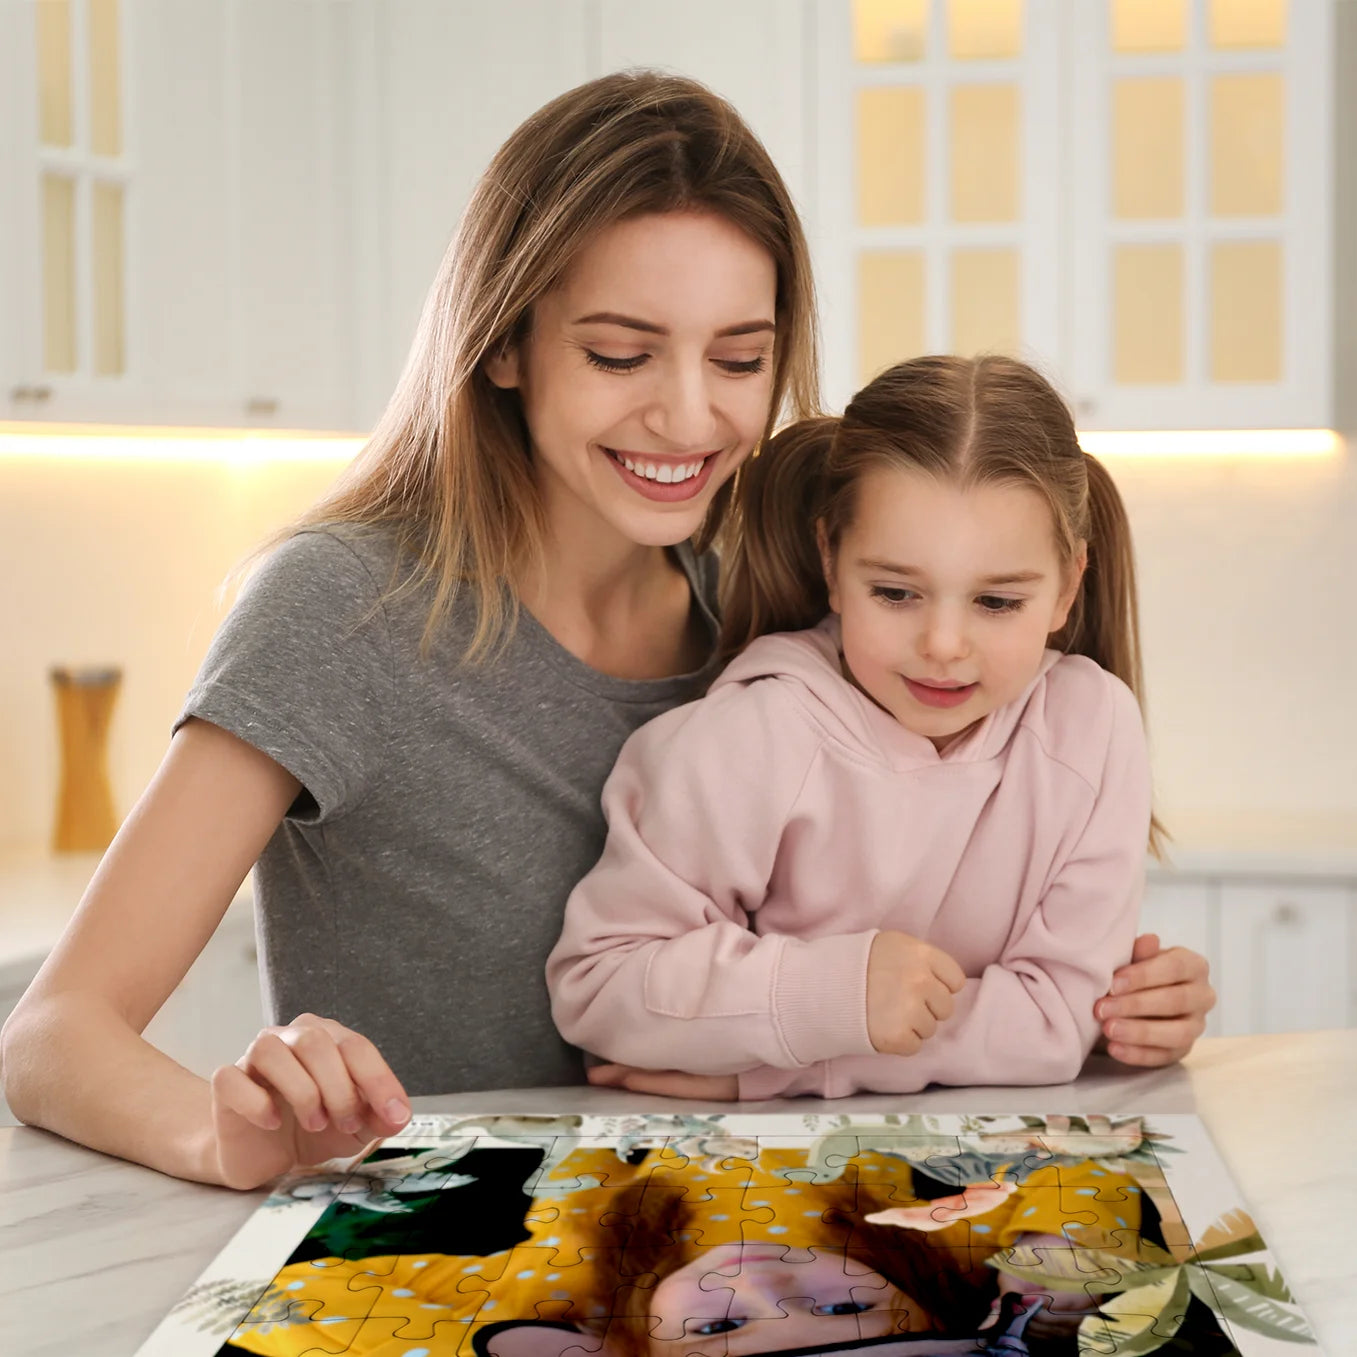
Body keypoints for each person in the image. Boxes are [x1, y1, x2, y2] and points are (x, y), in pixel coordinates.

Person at [0, 73, 1213, 1191]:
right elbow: (56, 1035)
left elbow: (891, 954)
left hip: (751, 1224)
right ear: (508, 343)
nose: (688, 413)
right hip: (446, 1245)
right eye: (621, 351)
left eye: (740, 358)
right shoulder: (345, 609)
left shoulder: (774, 592)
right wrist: (217, 1134)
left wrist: (1116, 1009)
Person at [548, 355, 1177, 1100]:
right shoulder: (743, 740)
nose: (943, 644)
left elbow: (1053, 1022)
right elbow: (599, 986)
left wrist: (787, 1063)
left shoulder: (1092, 728)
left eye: (996, 602)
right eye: (895, 591)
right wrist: (832, 993)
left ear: (1068, 584)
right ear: (831, 559)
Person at [220, 1141, 1138, 1357]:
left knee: (572, 1177)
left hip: (598, 1124)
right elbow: (1082, 1164)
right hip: (814, 1075)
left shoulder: (564, 1293)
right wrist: (1053, 1251)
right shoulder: (924, 1247)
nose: (764, 1278)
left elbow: (282, 1299)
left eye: (721, 1326)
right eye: (842, 1306)